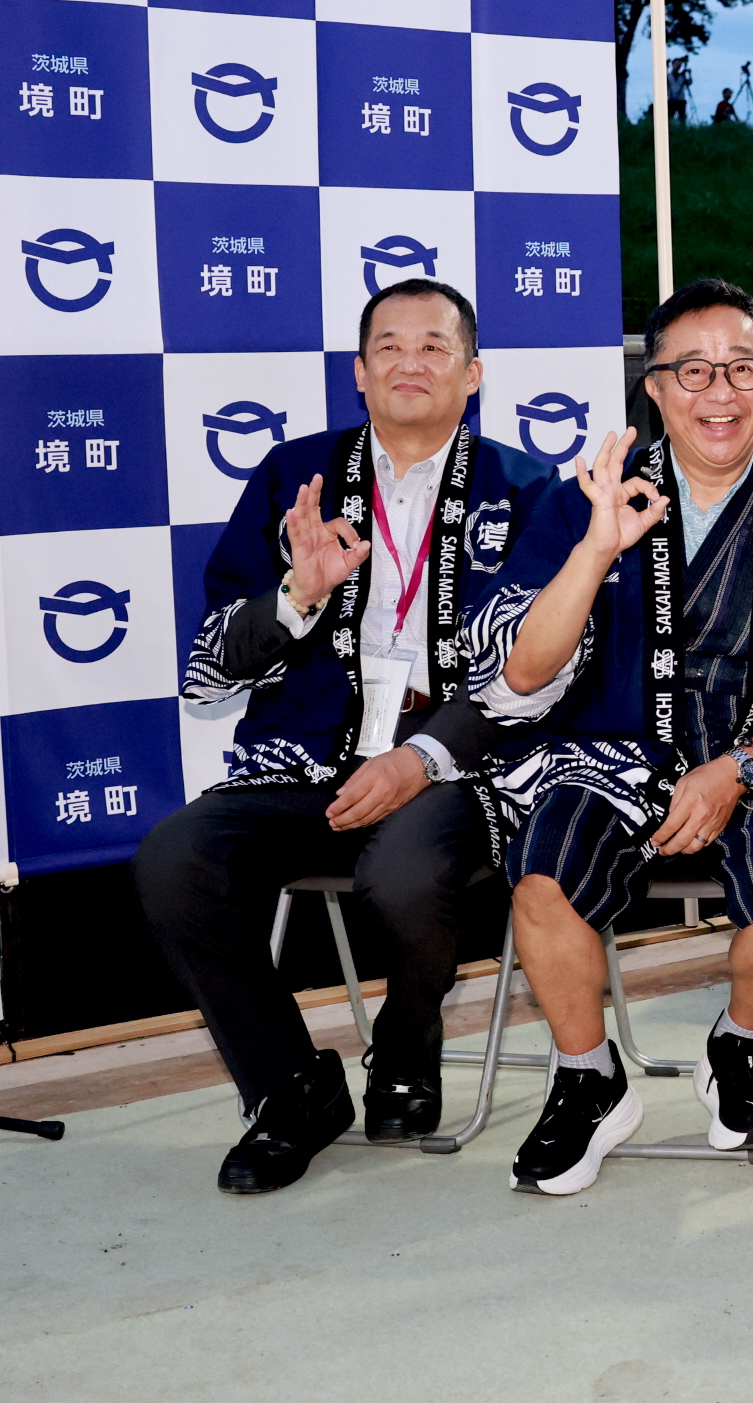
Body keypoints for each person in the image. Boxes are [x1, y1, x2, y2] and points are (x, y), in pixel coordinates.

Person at [134, 280, 557, 1193]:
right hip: (304, 759)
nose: (411, 362)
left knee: (403, 873)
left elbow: (543, 674)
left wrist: (423, 756)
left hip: (456, 766)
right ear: (359, 373)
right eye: (388, 347)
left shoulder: (528, 490)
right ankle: (291, 1087)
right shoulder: (296, 477)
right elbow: (209, 671)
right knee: (176, 860)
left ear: (473, 374)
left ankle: (405, 1050)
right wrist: (298, 596)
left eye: (435, 346)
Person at [469, 279, 753, 1196]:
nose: (719, 393)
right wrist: (594, 551)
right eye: (692, 371)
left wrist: (738, 767)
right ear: (653, 388)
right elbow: (521, 672)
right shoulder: (581, 503)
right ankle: (588, 1077)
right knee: (542, 879)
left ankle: (739, 1042)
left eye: (743, 369)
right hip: (608, 754)